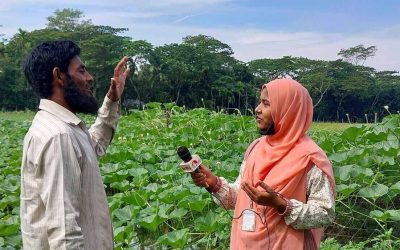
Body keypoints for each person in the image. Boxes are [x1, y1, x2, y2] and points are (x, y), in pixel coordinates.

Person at [191, 79, 336, 250]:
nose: (257, 109)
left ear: (287, 110)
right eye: (260, 102)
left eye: (266, 103)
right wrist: (214, 183)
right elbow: (241, 197)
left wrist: (281, 204)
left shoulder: (310, 159)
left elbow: (325, 213)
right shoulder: (256, 148)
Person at [20, 40, 130, 249]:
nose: (90, 78)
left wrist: (112, 100)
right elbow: (64, 233)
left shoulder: (61, 127)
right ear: (59, 76)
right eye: (81, 71)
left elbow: (93, 146)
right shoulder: (58, 136)